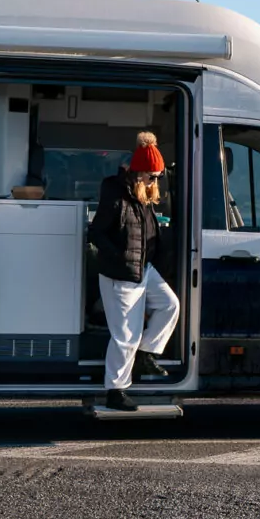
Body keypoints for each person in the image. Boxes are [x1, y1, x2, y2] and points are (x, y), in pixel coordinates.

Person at [88, 131, 180, 412]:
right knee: (125, 335)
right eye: (152, 176)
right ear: (139, 173)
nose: (156, 182)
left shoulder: (142, 196)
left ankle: (147, 352)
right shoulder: (117, 193)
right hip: (121, 272)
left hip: (142, 268)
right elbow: (96, 233)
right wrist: (117, 257)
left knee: (169, 305)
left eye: (158, 177)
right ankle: (116, 390)